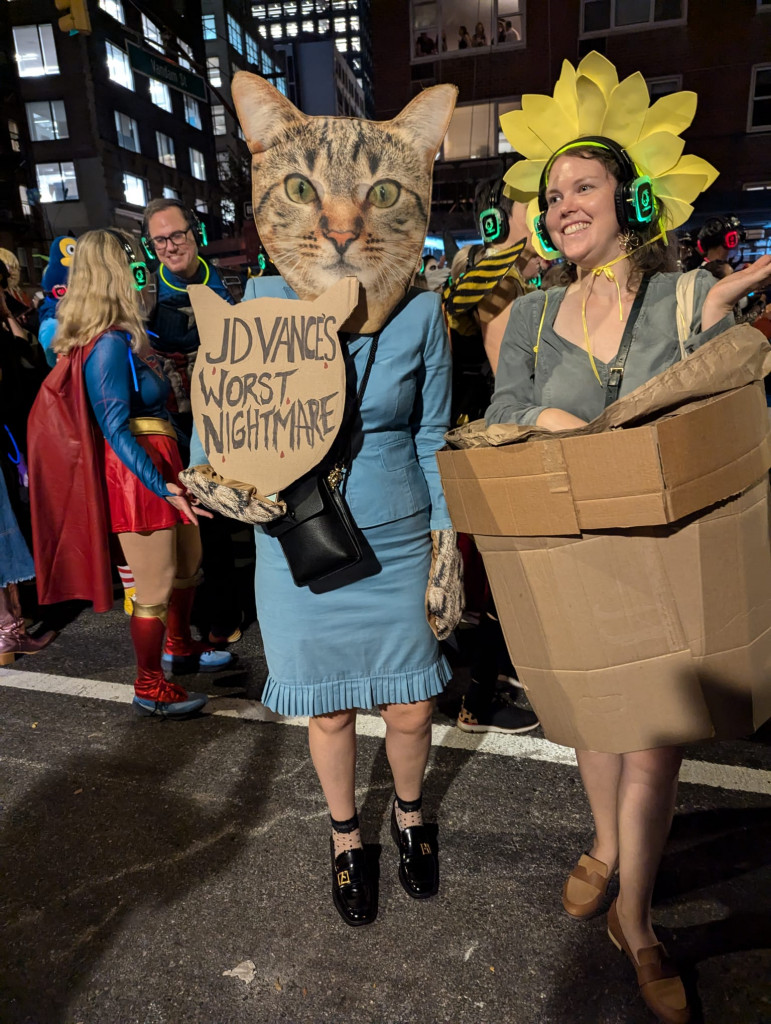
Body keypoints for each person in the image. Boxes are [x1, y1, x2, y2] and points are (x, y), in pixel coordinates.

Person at [489, 52, 771, 1023]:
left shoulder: (680, 297)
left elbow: (716, 385)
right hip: (569, 559)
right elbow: (501, 418)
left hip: (662, 557)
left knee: (652, 744)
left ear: (627, 194)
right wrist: (543, 428)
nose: (565, 202)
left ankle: (637, 921)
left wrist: (734, 303)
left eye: (584, 184)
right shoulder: (526, 319)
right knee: (590, 719)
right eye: (552, 190)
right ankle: (605, 843)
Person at [183, 74, 462, 927]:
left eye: (373, 195)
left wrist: (450, 539)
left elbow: (430, 436)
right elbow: (218, 441)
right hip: (296, 547)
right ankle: (347, 836)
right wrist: (209, 485)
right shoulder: (252, 308)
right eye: (306, 191)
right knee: (332, 711)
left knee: (411, 707)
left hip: (399, 536)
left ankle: (411, 817)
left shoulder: (420, 315)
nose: (341, 223)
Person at [28, 229, 233, 718]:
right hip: (137, 473)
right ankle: (148, 684)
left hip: (159, 459)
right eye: (132, 264)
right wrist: (160, 483)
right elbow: (115, 426)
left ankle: (179, 648)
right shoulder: (105, 344)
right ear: (113, 273)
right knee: (156, 585)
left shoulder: (119, 337)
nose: (140, 272)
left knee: (188, 566)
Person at [141, 198, 245, 644]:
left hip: (225, 416)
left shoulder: (232, 283)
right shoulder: (144, 295)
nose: (169, 246)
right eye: (159, 239)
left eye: (176, 235)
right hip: (172, 424)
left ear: (194, 233)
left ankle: (224, 612)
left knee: (220, 517)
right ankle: (183, 623)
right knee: (181, 519)